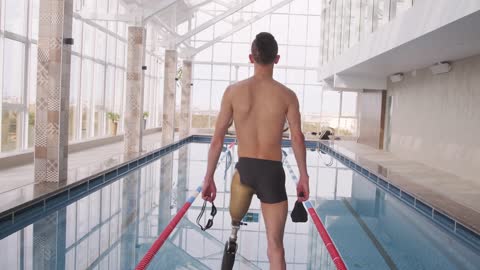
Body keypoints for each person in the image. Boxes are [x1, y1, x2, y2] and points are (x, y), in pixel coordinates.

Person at [201, 32, 309, 270]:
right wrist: (303, 176)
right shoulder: (288, 96)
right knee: (275, 247)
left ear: (251, 57)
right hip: (272, 173)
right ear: (277, 59)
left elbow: (217, 139)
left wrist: (208, 177)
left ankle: (233, 236)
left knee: (233, 232)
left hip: (244, 171)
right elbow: (298, 138)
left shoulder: (233, 92)